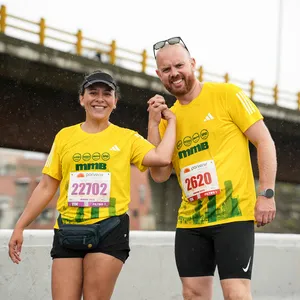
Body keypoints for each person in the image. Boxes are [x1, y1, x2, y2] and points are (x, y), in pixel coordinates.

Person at [8, 70, 176, 300]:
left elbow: (162, 159)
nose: (99, 98)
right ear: (81, 98)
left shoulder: (127, 138)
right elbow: (46, 186)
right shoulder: (64, 137)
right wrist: (20, 226)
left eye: (107, 94)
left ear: (115, 102)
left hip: (109, 229)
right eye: (93, 92)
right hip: (68, 230)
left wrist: (164, 122)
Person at [147, 37, 277, 300]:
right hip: (191, 222)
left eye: (179, 65)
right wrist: (153, 123)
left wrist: (266, 194)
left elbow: (264, 141)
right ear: (159, 75)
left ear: (192, 64)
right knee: (193, 294)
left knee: (236, 294)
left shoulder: (226, 94)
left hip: (233, 216)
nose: (175, 74)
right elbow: (159, 175)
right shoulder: (168, 119)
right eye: (167, 70)